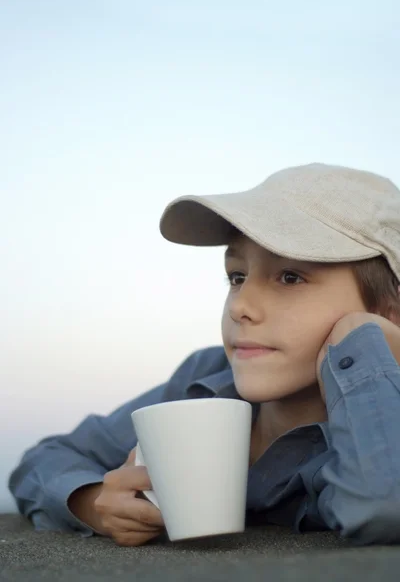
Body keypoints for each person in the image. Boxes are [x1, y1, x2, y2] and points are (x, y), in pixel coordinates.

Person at [8, 163, 400, 548]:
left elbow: (382, 506)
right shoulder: (208, 378)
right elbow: (45, 459)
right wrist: (94, 502)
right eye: (237, 276)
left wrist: (362, 342)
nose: (240, 306)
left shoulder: (369, 435)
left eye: (291, 277)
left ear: (388, 313)